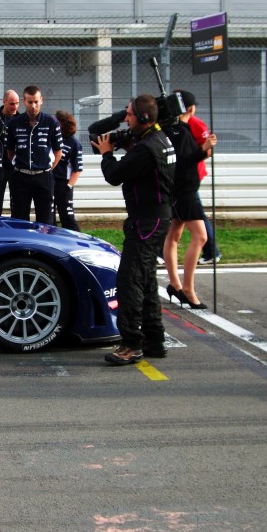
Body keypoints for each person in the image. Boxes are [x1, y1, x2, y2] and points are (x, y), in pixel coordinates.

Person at [93, 94, 176, 365]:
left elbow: (114, 175)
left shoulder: (146, 148)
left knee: (129, 281)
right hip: (156, 218)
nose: (125, 119)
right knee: (147, 280)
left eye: (128, 114)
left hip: (147, 222)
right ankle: (154, 340)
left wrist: (107, 154)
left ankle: (131, 344)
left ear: (142, 118)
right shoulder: (159, 139)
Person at [161, 95, 217, 309]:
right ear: (190, 108)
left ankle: (175, 284)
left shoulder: (170, 129)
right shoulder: (182, 131)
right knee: (201, 237)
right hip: (185, 190)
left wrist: (202, 151)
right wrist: (204, 148)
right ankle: (187, 288)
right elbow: (184, 161)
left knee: (174, 234)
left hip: (176, 189)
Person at [5, 85, 63, 223]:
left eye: (36, 101)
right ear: (24, 102)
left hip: (44, 177)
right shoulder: (14, 123)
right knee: (19, 220)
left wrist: (48, 169)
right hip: (20, 177)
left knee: (46, 221)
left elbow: (58, 151)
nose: (33, 105)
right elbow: (10, 151)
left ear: (41, 101)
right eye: (30, 102)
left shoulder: (51, 123)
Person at [180, 90, 222, 265]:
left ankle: (212, 251)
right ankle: (161, 250)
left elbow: (208, 151)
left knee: (195, 214)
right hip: (182, 175)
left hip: (191, 175)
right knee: (179, 217)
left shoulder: (195, 124)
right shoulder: (177, 125)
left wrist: (196, 156)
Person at [51, 110, 84, 230]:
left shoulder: (74, 143)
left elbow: (78, 169)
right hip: (49, 182)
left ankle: (77, 241)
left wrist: (68, 187)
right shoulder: (52, 139)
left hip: (64, 185)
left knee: (67, 217)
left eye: (56, 122)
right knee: (49, 217)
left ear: (63, 124)